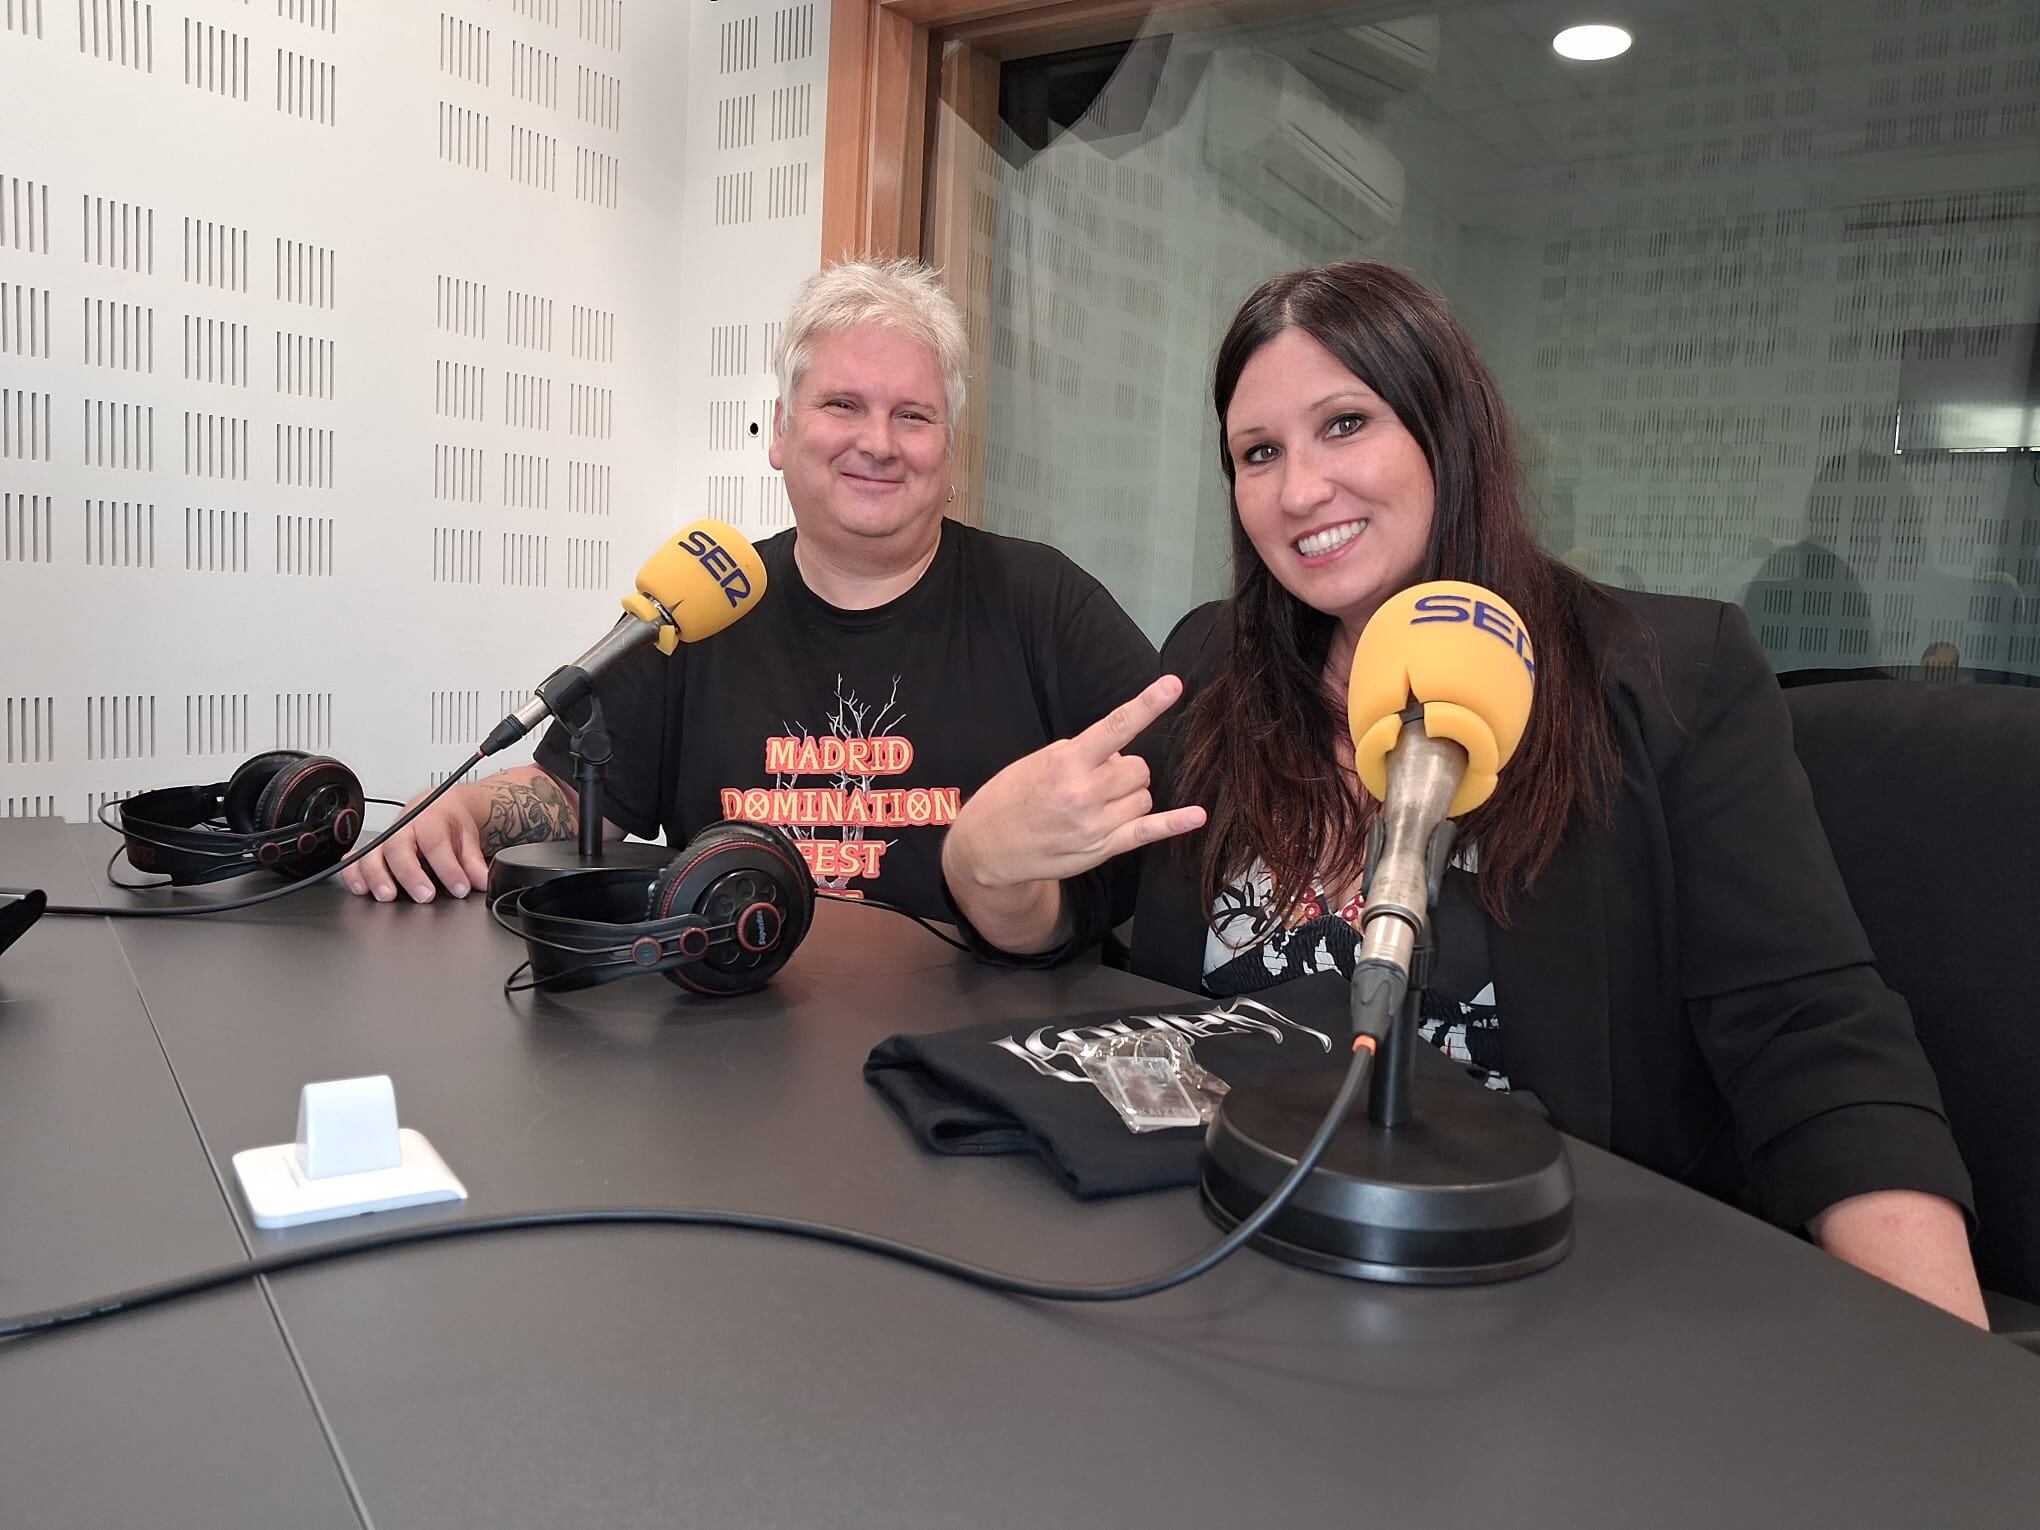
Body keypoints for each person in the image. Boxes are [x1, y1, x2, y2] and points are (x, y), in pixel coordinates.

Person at [961, 259, 1988, 1326]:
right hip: (1219, 1257)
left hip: (1541, 1301)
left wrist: (1941, 1378)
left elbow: (1810, 1034)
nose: (1300, 488)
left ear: (1446, 428)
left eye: (1346, 424)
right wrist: (983, 865)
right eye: (1257, 453)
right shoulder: (1216, 663)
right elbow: (1069, 927)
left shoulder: (1670, 673)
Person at [344, 258, 1187, 943]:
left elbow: (1160, 820)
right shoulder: (701, 603)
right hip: (729, 1024)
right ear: (779, 433)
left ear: (951, 455)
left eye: (914, 416)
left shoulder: (1043, 601)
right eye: (843, 405)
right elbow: (576, 794)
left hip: (980, 1044)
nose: (877, 443)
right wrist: (455, 811)